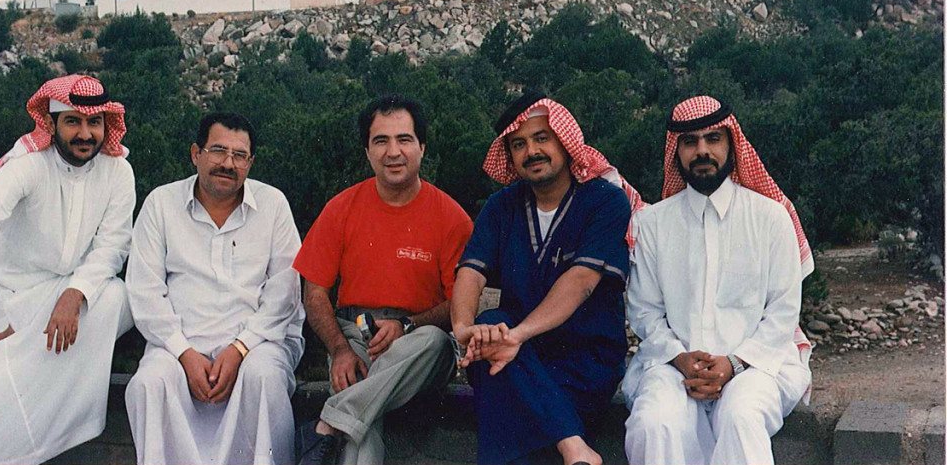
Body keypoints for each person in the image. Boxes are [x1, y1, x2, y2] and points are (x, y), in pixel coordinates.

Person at [0, 74, 135, 465]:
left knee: (117, 296)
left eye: (95, 123)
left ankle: (60, 431)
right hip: (11, 302)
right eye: (73, 122)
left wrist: (76, 293)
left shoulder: (118, 172)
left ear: (106, 125)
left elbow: (113, 246)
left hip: (68, 295)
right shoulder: (28, 164)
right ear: (52, 123)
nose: (85, 133)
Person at [452, 93, 646, 465]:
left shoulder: (605, 201)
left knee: (498, 363)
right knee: (488, 333)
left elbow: (582, 281)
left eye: (542, 138)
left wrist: (515, 336)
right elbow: (471, 272)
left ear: (564, 141)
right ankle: (574, 447)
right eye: (519, 144)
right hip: (517, 357)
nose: (532, 151)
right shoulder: (502, 206)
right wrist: (463, 329)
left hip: (583, 364)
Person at [623, 95, 814, 465]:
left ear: (731, 144)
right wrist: (679, 358)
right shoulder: (653, 224)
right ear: (676, 151)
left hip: (757, 364)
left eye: (713, 139)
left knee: (740, 416)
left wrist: (734, 364)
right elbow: (644, 310)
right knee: (654, 423)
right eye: (690, 142)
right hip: (672, 363)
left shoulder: (771, 218)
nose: (702, 150)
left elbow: (783, 311)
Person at [293, 95, 473, 465]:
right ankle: (342, 417)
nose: (394, 152)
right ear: (367, 151)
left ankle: (327, 422)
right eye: (381, 141)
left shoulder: (451, 217)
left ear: (422, 147)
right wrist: (339, 350)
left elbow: (460, 303)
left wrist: (407, 325)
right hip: (356, 334)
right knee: (364, 412)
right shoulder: (341, 208)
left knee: (434, 342)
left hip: (419, 344)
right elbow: (314, 293)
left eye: (404, 139)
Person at [125, 113, 305, 465]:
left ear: (250, 162)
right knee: (149, 383)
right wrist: (183, 352)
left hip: (257, 341)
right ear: (196, 154)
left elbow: (285, 292)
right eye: (218, 151)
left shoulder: (273, 205)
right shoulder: (161, 204)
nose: (228, 163)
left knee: (263, 376)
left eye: (240, 156)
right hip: (178, 343)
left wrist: (240, 348)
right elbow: (144, 290)